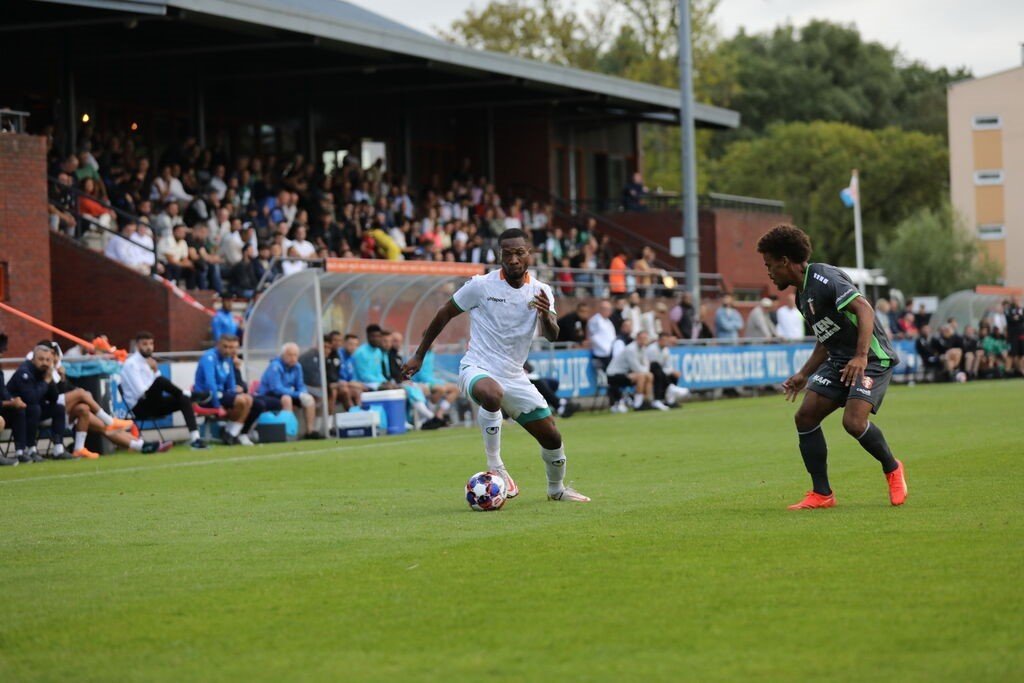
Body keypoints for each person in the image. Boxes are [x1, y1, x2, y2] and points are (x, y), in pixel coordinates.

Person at [401, 228, 590, 503]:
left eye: (519, 253)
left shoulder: (542, 290)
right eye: (507, 253)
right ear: (499, 255)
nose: (513, 259)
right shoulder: (481, 285)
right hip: (478, 367)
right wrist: (419, 354)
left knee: (552, 437)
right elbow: (444, 313)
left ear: (530, 254)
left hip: (514, 375)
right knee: (491, 393)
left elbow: (552, 335)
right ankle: (495, 465)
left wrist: (545, 314)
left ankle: (556, 489)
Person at [757, 224, 907, 510]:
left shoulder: (824, 277)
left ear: (785, 261)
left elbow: (864, 308)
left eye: (770, 265)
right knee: (805, 417)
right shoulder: (802, 295)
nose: (768, 272)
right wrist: (803, 374)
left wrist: (861, 356)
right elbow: (825, 340)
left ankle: (892, 468)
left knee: (853, 423)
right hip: (839, 360)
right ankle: (822, 493)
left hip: (871, 358)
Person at [120, 331, 208, 450]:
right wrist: (157, 379)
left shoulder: (149, 362)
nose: (149, 347)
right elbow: (141, 392)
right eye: (144, 344)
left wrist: (155, 370)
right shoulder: (131, 364)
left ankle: (195, 439)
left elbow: (154, 388)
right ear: (137, 346)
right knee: (161, 381)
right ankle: (187, 393)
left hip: (154, 404)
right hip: (139, 407)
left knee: (183, 399)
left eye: (151, 344)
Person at [194, 334, 257, 445]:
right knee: (241, 401)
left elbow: (231, 381)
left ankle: (231, 434)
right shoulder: (209, 357)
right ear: (218, 345)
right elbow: (210, 383)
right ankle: (229, 432)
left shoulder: (227, 359)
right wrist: (218, 406)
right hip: (206, 396)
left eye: (231, 347)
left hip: (221, 394)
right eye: (225, 346)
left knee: (248, 399)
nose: (227, 350)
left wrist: (233, 392)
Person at [257, 342, 323, 439]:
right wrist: (297, 394)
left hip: (289, 393)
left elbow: (300, 385)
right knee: (286, 399)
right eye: (290, 355)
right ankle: (288, 432)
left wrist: (303, 393)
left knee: (309, 399)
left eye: (295, 355)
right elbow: (276, 388)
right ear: (283, 355)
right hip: (269, 395)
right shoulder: (275, 366)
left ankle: (310, 431)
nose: (293, 358)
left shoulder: (297, 367)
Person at [606, 330, 658, 411]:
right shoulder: (631, 349)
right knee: (641, 376)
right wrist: (644, 372)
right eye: (642, 338)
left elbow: (646, 365)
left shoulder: (643, 349)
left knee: (649, 375)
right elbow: (636, 368)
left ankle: (647, 401)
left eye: (645, 338)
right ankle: (637, 404)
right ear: (637, 338)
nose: (644, 340)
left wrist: (645, 372)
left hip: (627, 374)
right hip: (613, 375)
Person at [645, 333, 688, 408]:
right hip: (649, 371)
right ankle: (658, 399)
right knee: (656, 367)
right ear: (659, 340)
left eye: (666, 340)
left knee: (673, 375)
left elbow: (668, 366)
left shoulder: (666, 350)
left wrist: (673, 372)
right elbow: (652, 366)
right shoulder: (652, 349)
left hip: (660, 372)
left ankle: (670, 400)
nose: (665, 342)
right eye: (663, 340)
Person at [352, 324, 397, 391]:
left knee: (396, 386)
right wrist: (381, 382)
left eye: (378, 336)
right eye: (373, 336)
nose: (376, 339)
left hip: (376, 382)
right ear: (368, 337)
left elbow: (379, 372)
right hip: (362, 383)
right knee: (388, 388)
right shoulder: (360, 352)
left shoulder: (378, 352)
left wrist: (385, 381)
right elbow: (363, 376)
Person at [586, 299, 616, 373]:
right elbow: (593, 337)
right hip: (601, 353)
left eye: (609, 309)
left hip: (610, 352)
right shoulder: (595, 320)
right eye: (606, 309)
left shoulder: (608, 321)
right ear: (601, 309)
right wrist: (605, 349)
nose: (608, 311)